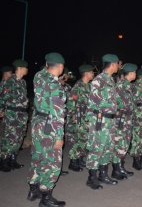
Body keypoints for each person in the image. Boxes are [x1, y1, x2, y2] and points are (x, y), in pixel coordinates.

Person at [27, 52, 66, 207]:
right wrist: (59, 136)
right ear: (61, 66)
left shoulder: (39, 77)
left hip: (37, 123)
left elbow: (45, 75)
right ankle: (46, 197)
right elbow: (57, 113)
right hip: (49, 126)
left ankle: (33, 190)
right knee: (52, 162)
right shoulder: (55, 85)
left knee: (38, 157)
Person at [85, 54, 120, 190]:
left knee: (107, 148)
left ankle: (103, 174)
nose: (119, 66)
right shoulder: (99, 80)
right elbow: (93, 103)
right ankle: (91, 177)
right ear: (112, 64)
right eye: (117, 63)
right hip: (100, 120)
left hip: (110, 120)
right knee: (97, 148)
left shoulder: (110, 80)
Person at [0, 60, 29, 172]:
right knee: (9, 138)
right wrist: (1, 110)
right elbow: (2, 97)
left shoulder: (23, 82)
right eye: (25, 67)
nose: (27, 69)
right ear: (20, 68)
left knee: (19, 138)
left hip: (22, 114)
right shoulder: (9, 82)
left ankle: (13, 160)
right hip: (12, 114)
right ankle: (3, 161)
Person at [112, 63, 137, 179]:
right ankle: (116, 170)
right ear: (131, 73)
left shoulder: (128, 85)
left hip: (127, 119)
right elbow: (118, 104)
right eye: (134, 72)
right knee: (120, 144)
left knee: (124, 144)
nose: (135, 74)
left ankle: (120, 167)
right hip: (121, 120)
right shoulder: (121, 86)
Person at [67, 65, 94, 172]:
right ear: (86, 73)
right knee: (80, 139)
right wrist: (73, 116)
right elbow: (71, 102)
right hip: (79, 116)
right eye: (91, 72)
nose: (93, 74)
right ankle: (73, 162)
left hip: (87, 117)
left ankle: (79, 159)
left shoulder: (90, 86)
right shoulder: (78, 86)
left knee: (85, 139)